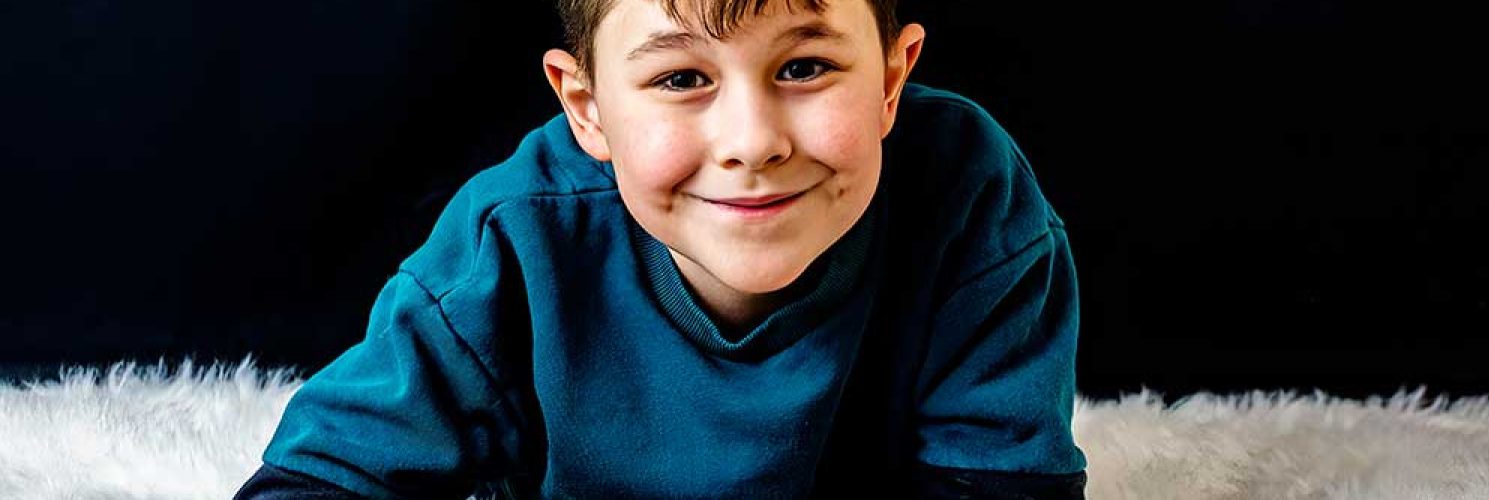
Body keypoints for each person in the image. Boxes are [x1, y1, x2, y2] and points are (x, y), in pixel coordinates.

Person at [236, 0, 1088, 498]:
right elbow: (316, 482)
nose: (752, 143)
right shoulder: (516, 244)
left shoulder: (973, 205)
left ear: (894, 79)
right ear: (588, 106)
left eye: (805, 68)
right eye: (682, 79)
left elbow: (1006, 486)